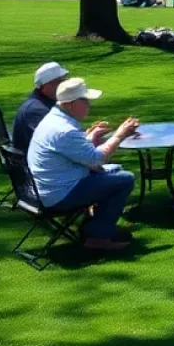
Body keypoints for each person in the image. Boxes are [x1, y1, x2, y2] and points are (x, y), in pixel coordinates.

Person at [27, 78, 140, 252]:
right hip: (60, 195)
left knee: (115, 172)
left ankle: (99, 226)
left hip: (49, 188)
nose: (89, 105)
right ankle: (97, 236)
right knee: (125, 179)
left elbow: (73, 152)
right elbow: (96, 160)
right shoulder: (65, 130)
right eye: (85, 101)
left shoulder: (54, 120)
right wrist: (120, 135)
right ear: (71, 104)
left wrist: (90, 138)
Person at [12, 61, 68, 152]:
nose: (64, 84)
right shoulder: (36, 110)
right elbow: (57, 141)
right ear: (47, 84)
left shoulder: (45, 102)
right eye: (60, 81)